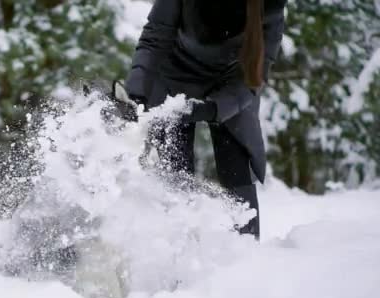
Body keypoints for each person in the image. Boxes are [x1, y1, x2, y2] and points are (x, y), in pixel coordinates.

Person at [120, 0, 287, 239]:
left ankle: (247, 251)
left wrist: (214, 109)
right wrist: (136, 92)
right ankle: (176, 253)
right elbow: (155, 38)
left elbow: (255, 74)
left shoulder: (269, 6)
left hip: (232, 87)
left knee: (236, 166)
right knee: (173, 172)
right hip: (172, 78)